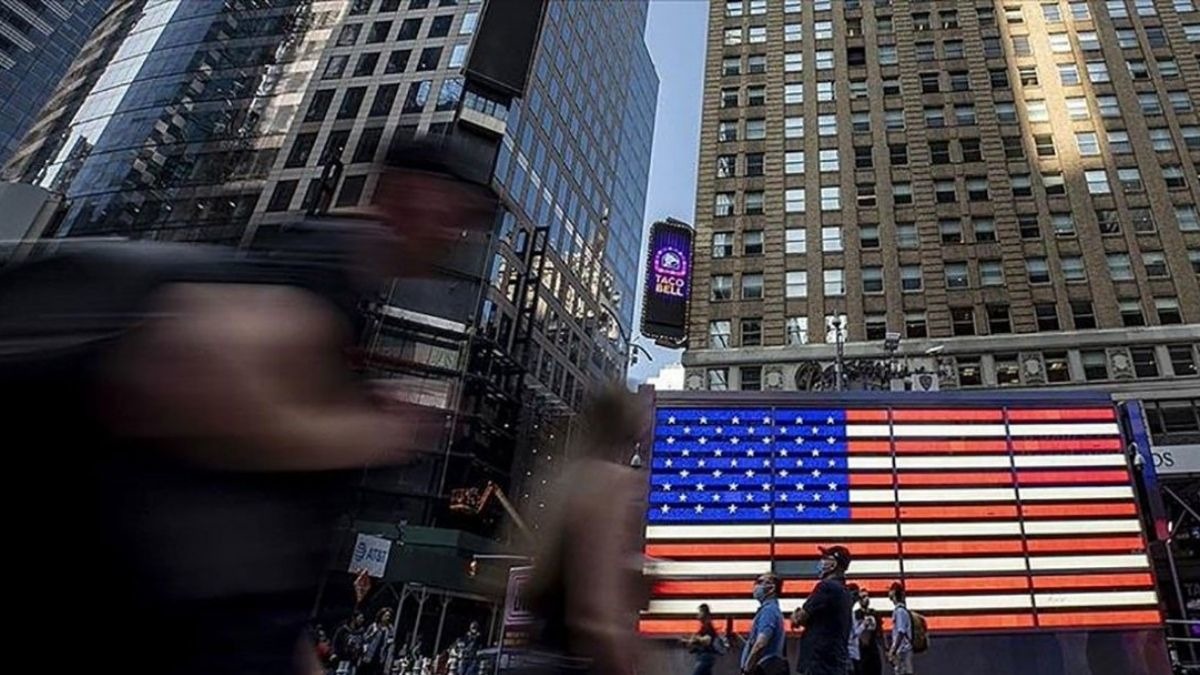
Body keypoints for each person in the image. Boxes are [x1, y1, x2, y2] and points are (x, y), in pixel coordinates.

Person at [0, 136, 493, 675]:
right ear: (413, 193)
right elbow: (180, 366)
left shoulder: (344, 281)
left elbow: (268, 532)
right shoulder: (328, 263)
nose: (457, 236)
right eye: (456, 213)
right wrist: (374, 431)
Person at [523, 387, 652, 675]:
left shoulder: (568, 477)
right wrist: (620, 658)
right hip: (583, 656)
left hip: (542, 647)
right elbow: (595, 598)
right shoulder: (613, 483)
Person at [791, 546, 853, 675]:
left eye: (825, 558)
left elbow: (799, 618)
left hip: (819, 661)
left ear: (833, 564)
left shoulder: (826, 587)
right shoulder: (845, 592)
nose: (821, 562)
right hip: (835, 660)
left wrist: (797, 614)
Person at [742, 573, 786, 675]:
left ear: (771, 588)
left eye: (760, 582)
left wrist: (747, 668)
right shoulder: (773, 610)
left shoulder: (768, 611)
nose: (756, 586)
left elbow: (761, 643)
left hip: (762, 669)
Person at [682, 603, 721, 675]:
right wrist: (690, 641)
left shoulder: (707, 626)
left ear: (705, 614)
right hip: (704, 656)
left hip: (705, 657)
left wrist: (695, 639)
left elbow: (707, 640)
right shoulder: (704, 627)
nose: (698, 614)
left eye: (700, 612)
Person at [887, 583, 914, 675]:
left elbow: (901, 631)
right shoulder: (902, 610)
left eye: (890, 590)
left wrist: (893, 650)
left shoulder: (900, 611)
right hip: (903, 650)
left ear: (894, 593)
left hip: (902, 651)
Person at [855, 589, 883, 675]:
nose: (866, 599)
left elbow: (880, 632)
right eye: (863, 597)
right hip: (861, 650)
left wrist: (885, 647)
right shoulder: (856, 614)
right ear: (859, 600)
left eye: (867, 596)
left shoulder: (874, 613)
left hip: (873, 649)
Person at [359, 608, 394, 675]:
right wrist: (373, 633)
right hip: (368, 655)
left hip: (379, 658)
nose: (387, 618)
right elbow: (365, 639)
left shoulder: (390, 629)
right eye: (386, 616)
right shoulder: (374, 626)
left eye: (389, 616)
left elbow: (390, 644)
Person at [845, 584, 862, 674]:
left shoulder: (850, 612)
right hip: (850, 653)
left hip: (853, 653)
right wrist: (863, 625)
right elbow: (852, 635)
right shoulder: (847, 612)